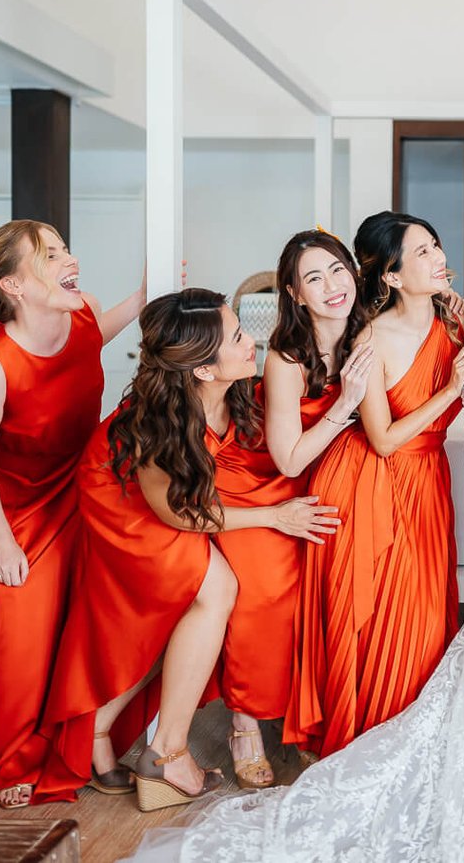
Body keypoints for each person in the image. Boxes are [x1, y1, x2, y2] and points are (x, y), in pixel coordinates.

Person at [126, 136, 464, 862]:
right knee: (347, 613)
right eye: (422, 251)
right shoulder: (347, 341)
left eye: (338, 268)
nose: (438, 257)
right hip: (353, 479)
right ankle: (306, 734)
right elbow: (368, 436)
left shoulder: (461, 307)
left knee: (444, 617)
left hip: (446, 479)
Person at [35, 290, 336, 809]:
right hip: (125, 508)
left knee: (192, 608)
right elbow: (177, 513)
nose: (250, 343)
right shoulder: (157, 425)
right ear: (201, 370)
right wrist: (274, 516)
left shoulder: (233, 392)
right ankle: (167, 752)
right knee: (214, 589)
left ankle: (99, 730)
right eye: (238, 337)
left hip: (173, 504)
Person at [0, 221, 143, 808]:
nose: (69, 259)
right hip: (10, 508)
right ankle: (6, 761)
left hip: (81, 490)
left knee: (103, 611)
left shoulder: (83, 314)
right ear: (15, 286)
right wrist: (1, 542)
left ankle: (87, 732)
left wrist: (142, 298)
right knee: (18, 629)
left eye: (65, 247)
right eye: (50, 255)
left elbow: (88, 340)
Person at [287, 211, 464, 756]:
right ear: (392, 276)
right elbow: (383, 438)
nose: (439, 258)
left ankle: (416, 733)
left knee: (426, 611)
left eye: (436, 244)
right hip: (374, 481)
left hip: (428, 478)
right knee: (385, 615)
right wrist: (451, 390)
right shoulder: (373, 337)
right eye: (422, 253)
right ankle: (375, 738)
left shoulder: (454, 323)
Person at [215, 229, 373, 787]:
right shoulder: (286, 356)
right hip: (258, 480)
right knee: (264, 596)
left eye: (337, 270)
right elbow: (284, 459)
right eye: (314, 278)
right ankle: (243, 723)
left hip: (324, 473)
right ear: (294, 293)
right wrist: (347, 404)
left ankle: (315, 719)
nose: (332, 286)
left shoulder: (369, 328)